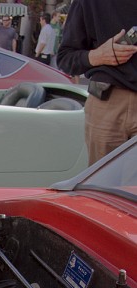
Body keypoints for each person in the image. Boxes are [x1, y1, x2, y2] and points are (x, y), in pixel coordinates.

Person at [57, 0, 137, 165]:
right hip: (107, 104)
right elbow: (65, 58)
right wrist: (98, 55)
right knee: (103, 185)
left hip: (106, 106)